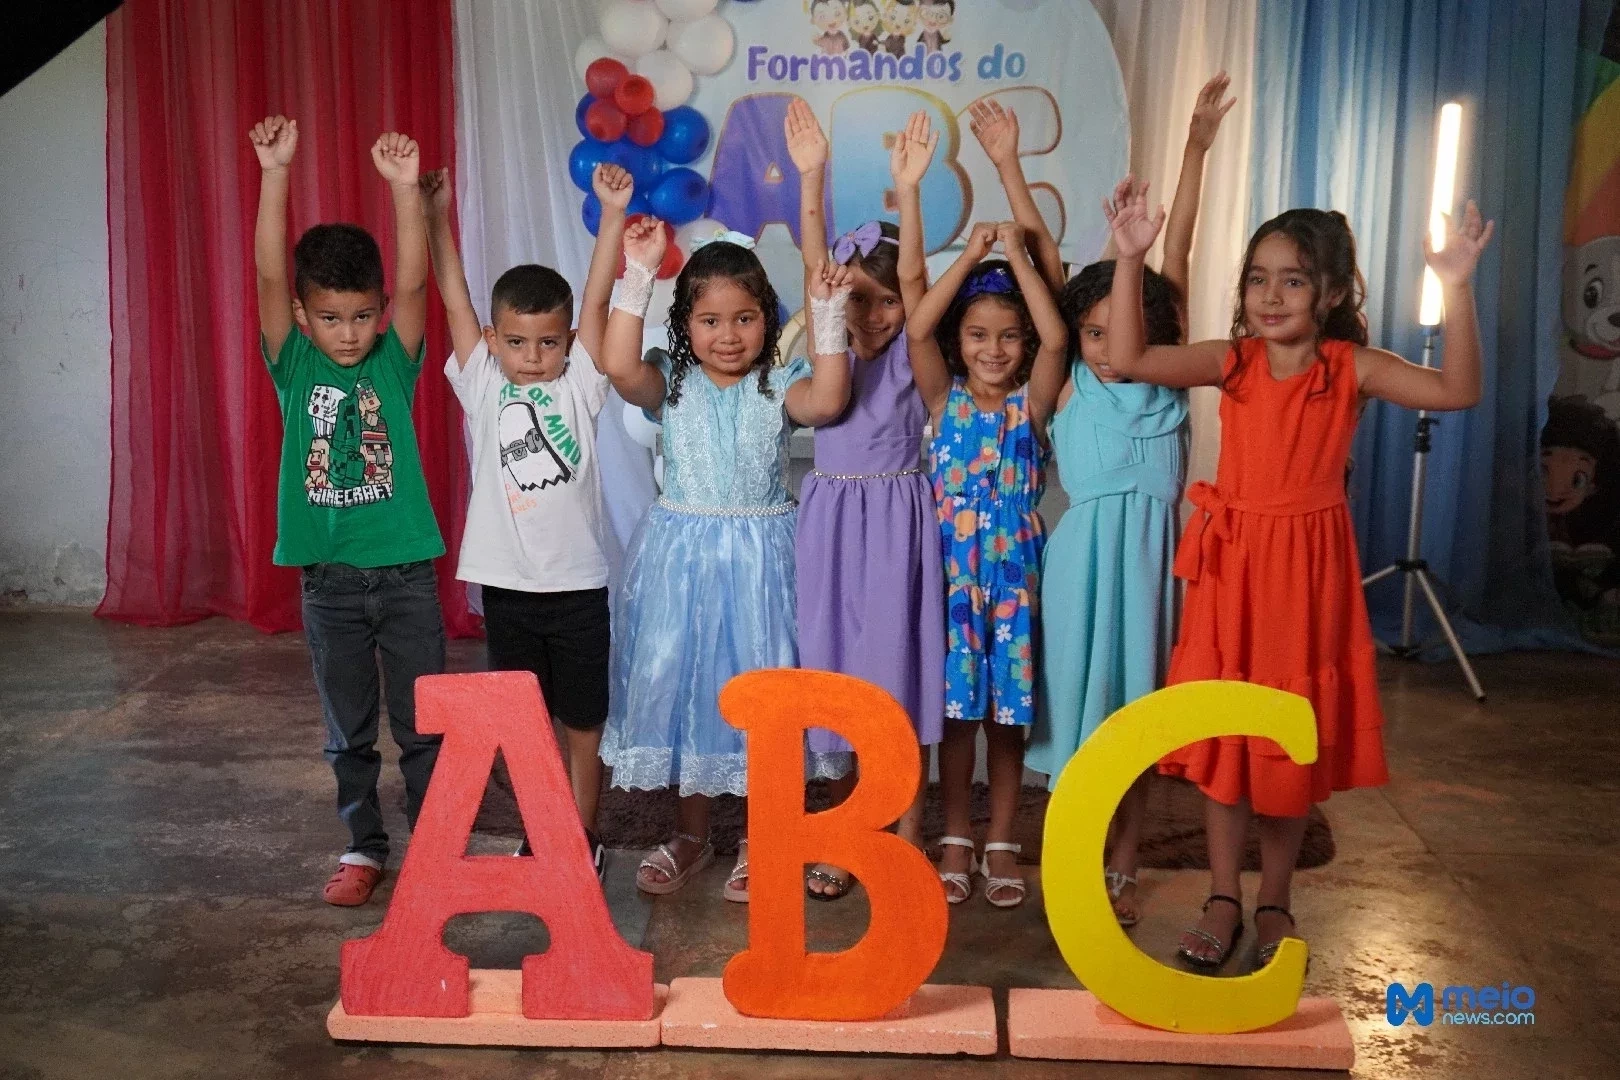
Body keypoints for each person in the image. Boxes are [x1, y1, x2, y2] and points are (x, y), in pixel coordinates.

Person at [1103, 179, 1494, 969]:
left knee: (1286, 739)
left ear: (1332, 292)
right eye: (1258, 277)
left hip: (1306, 579)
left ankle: (1274, 901)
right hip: (1231, 570)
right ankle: (1222, 895)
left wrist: (1456, 287)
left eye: (1293, 278)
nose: (1271, 294)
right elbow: (1127, 354)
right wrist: (1130, 256)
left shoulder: (1351, 368)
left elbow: (1459, 390)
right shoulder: (1233, 361)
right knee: (1222, 739)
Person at [596, 218, 853, 902]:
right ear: (684, 325)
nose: (729, 335)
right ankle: (691, 834)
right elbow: (617, 365)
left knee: (764, 698)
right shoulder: (669, 383)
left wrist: (827, 316)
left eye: (745, 318)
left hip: (764, 566)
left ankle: (764, 836)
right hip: (681, 564)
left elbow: (829, 401)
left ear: (768, 321)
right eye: (710, 320)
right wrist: (641, 272)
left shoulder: (779, 385)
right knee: (693, 694)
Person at [250, 115, 445, 907]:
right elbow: (269, 278)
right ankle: (365, 846)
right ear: (303, 317)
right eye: (330, 317)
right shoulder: (293, 362)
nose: (349, 332)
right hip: (329, 581)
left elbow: (412, 285)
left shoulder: (396, 361)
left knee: (424, 723)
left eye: (361, 315)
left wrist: (405, 193)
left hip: (405, 576)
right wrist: (275, 175)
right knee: (350, 731)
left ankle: (434, 846)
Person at [422, 162, 631, 880]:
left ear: (568, 340)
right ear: (494, 338)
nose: (533, 358)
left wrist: (611, 214)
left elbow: (598, 298)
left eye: (548, 342)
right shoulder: (482, 380)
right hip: (508, 587)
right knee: (524, 721)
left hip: (577, 587)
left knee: (582, 720)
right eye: (517, 343)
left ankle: (582, 833)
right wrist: (436, 213)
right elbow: (452, 297)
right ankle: (543, 831)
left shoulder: (580, 379)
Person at [784, 103, 946, 900]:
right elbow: (821, 271)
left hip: (899, 524)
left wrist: (906, 194)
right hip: (831, 524)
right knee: (834, 669)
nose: (874, 314)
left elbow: (914, 287)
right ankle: (844, 829)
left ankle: (907, 835)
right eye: (860, 301)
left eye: (886, 302)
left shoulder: (917, 356)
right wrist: (812, 176)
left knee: (896, 670)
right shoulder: (832, 350)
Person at [908, 219, 1068, 909]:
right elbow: (917, 332)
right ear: (959, 343)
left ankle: (1001, 840)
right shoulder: (942, 401)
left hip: (1012, 583)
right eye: (977, 335)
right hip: (949, 579)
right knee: (953, 717)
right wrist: (970, 254)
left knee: (1008, 717)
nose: (994, 349)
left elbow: (1059, 337)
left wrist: (1014, 261)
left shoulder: (1032, 408)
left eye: (1008, 336)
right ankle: (954, 837)